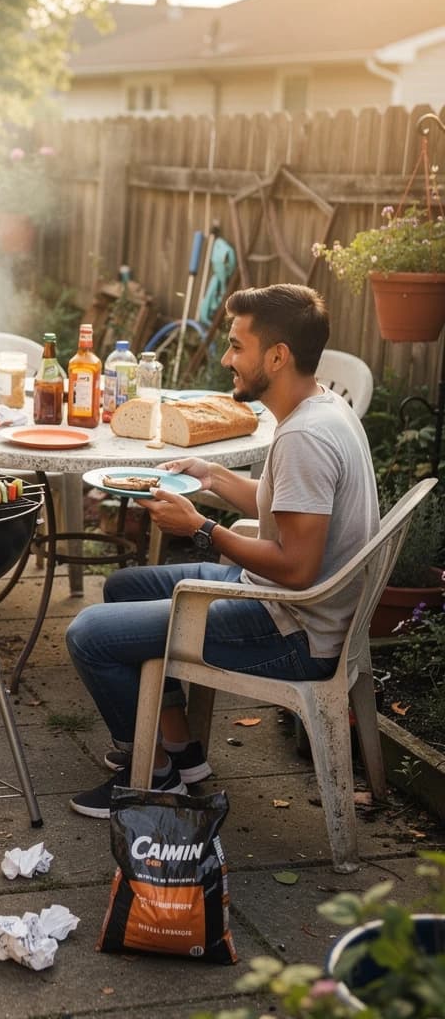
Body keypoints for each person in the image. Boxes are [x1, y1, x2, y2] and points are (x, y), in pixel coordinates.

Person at [66, 283, 379, 818]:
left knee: (88, 635)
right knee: (123, 588)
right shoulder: (321, 407)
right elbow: (279, 505)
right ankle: (186, 760)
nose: (226, 358)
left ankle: (154, 777)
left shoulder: (304, 438)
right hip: (287, 605)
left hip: (292, 629)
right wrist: (210, 474)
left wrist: (203, 528)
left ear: (277, 356)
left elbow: (299, 569)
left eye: (237, 346)